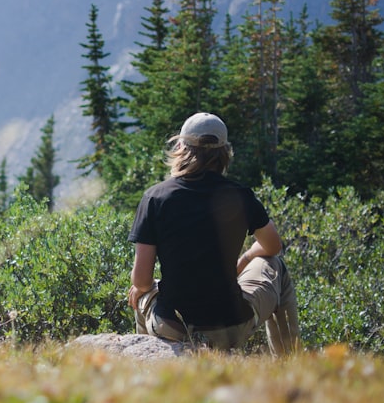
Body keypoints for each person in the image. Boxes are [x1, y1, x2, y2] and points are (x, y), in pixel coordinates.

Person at [127, 112, 300, 354]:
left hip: (172, 326)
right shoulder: (239, 195)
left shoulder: (155, 198)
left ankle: (150, 362)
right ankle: (289, 362)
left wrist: (150, 286)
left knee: (140, 293)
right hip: (232, 328)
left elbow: (142, 280)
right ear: (224, 152)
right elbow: (273, 247)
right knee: (276, 265)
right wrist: (247, 259)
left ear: (180, 147)